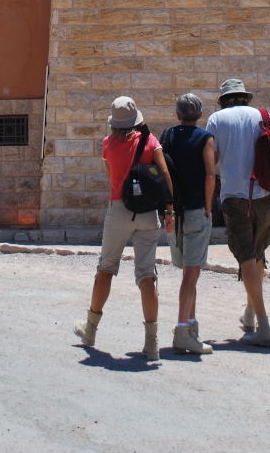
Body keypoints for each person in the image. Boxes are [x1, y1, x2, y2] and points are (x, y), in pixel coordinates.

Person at [74, 96, 174, 360]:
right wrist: (169, 210)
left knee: (106, 268)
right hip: (148, 213)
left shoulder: (108, 144)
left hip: (119, 209)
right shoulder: (151, 142)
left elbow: (111, 178)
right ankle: (151, 343)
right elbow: (165, 175)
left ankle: (91, 329)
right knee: (146, 274)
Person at [205, 78, 270, 347]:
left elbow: (212, 159)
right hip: (266, 193)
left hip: (235, 195)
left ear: (223, 99)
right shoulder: (264, 115)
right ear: (245, 97)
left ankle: (264, 325)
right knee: (258, 253)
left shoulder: (216, 119)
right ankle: (250, 314)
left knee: (246, 256)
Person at [160, 93, 215, 354]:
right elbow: (210, 174)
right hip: (195, 210)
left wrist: (167, 208)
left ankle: (192, 326)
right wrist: (208, 206)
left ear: (177, 114)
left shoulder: (167, 136)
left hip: (174, 212)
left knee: (188, 272)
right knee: (191, 274)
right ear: (200, 115)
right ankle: (182, 329)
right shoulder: (205, 138)